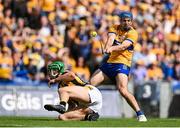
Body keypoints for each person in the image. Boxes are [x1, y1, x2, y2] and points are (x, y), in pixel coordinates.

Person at [90, 11, 147, 122]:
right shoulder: (115, 27)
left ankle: (140, 114)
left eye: (128, 21)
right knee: (91, 85)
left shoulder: (133, 33)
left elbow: (123, 46)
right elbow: (111, 39)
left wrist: (111, 49)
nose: (126, 23)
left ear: (131, 21)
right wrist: (107, 47)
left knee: (122, 90)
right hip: (109, 63)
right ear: (120, 21)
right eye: (124, 21)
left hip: (122, 63)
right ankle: (87, 110)